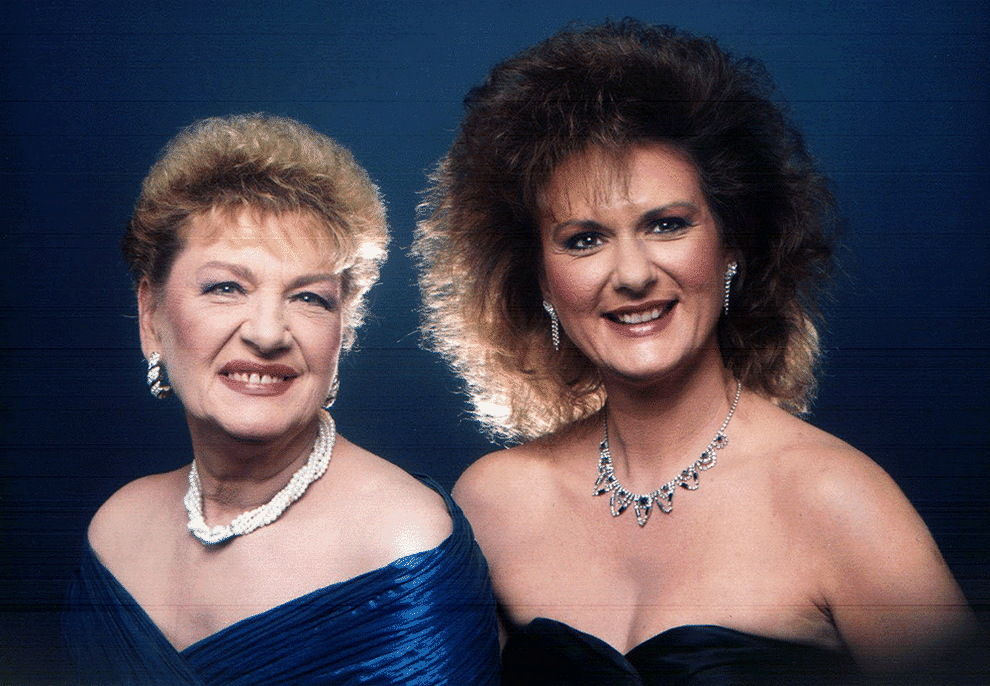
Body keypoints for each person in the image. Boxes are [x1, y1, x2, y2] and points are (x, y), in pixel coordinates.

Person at [414, 19, 981, 684]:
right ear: (539, 280)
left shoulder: (838, 501)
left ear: (732, 245)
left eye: (666, 224)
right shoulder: (495, 503)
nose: (632, 275)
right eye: (584, 240)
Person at [62, 114, 500, 685]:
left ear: (343, 332)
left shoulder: (401, 544)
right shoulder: (115, 534)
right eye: (226, 288)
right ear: (151, 317)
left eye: (310, 298)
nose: (268, 334)